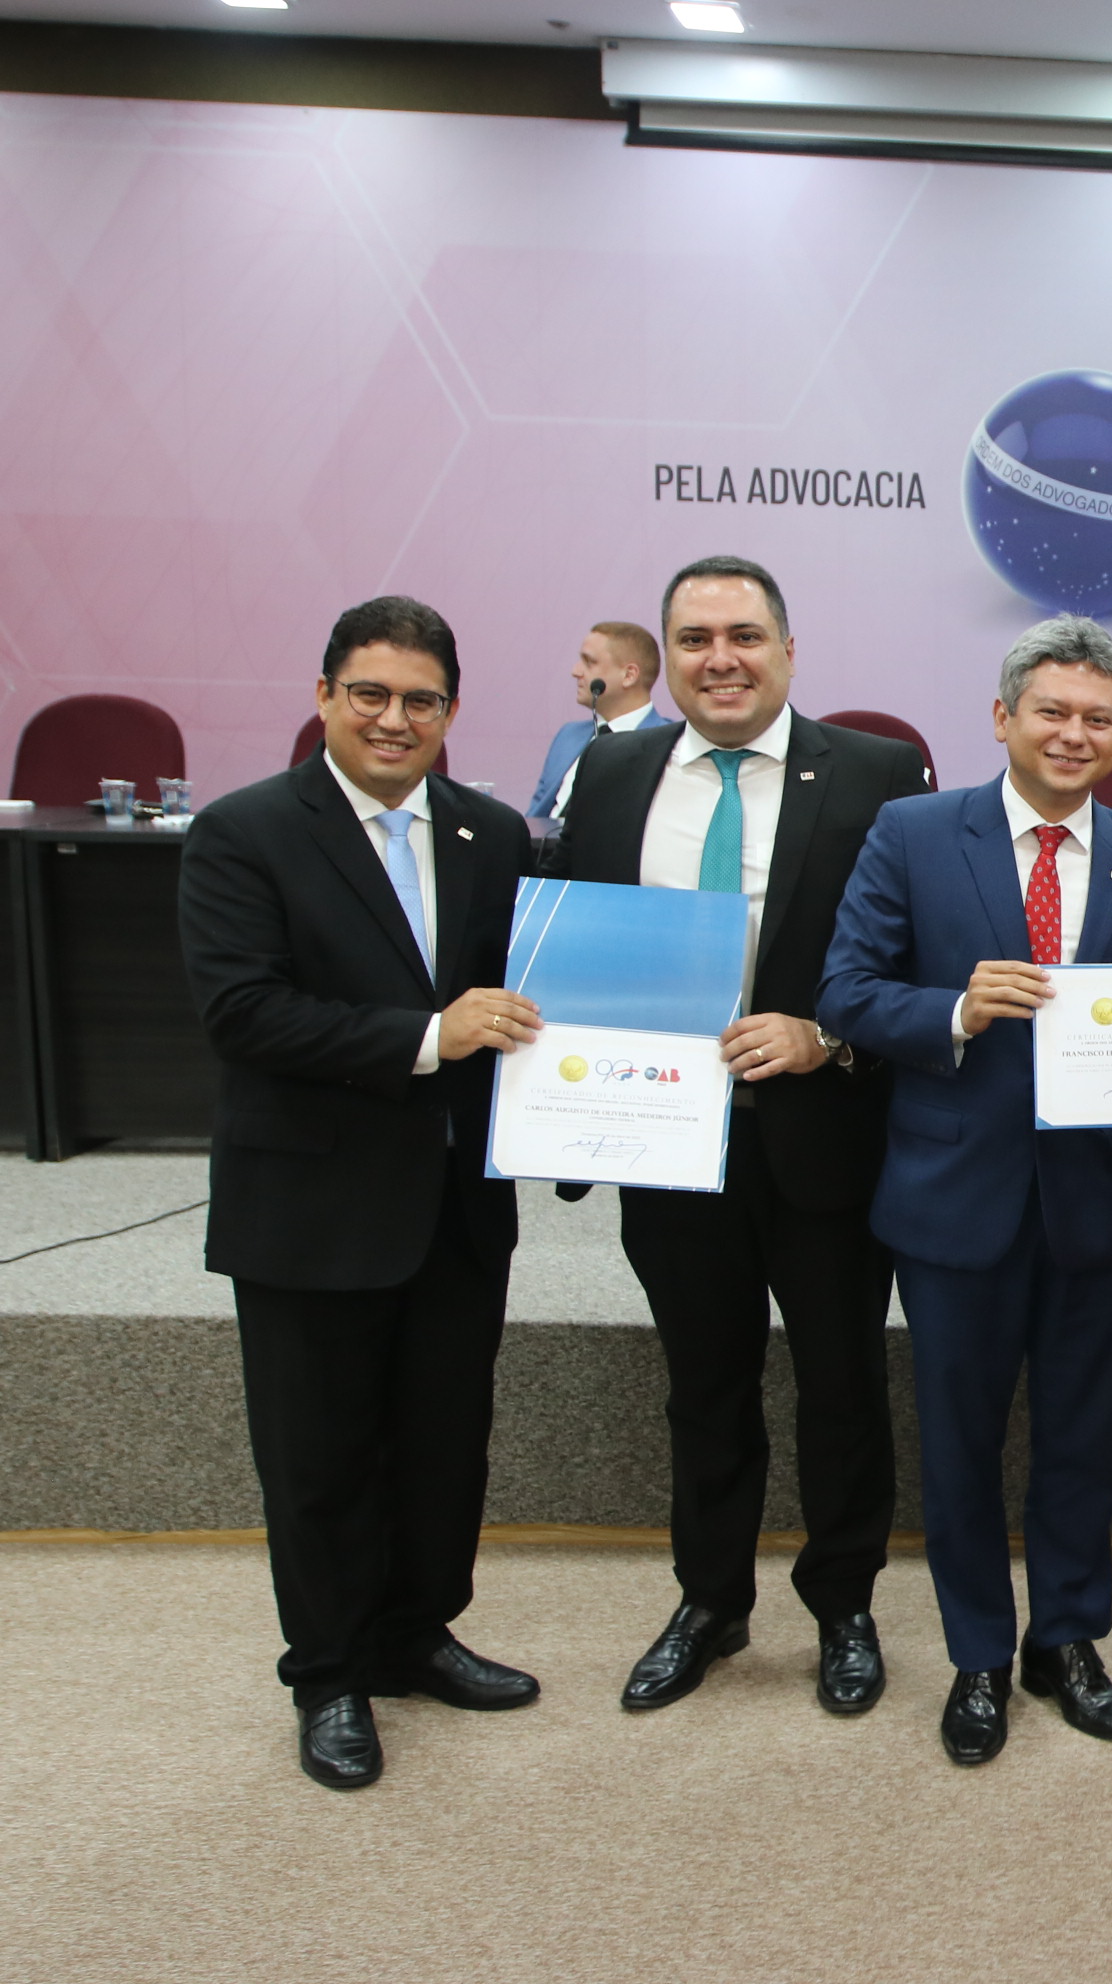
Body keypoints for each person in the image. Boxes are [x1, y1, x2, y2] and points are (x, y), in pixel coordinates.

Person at [556, 555, 931, 1718]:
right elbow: (577, 939)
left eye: (745, 635)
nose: (721, 659)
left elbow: (917, 957)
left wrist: (831, 1036)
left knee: (841, 1385)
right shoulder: (610, 772)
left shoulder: (875, 773)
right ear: (665, 658)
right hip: (665, 1142)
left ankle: (843, 1604)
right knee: (703, 1384)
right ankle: (710, 1600)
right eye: (695, 638)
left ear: (788, 651)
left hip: (822, 1140)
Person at [177, 596, 541, 1791]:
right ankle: (329, 1673)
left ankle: (414, 1632)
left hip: (455, 1206)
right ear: (325, 695)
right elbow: (244, 1012)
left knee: (445, 1443)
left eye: (420, 700)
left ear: (451, 710)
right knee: (319, 1455)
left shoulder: (493, 834)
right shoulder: (243, 832)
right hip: (311, 1207)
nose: (395, 719)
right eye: (371, 694)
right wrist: (430, 1038)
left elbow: (532, 998)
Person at [815, 615, 1112, 1766]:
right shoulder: (916, 831)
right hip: (951, 1198)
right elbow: (844, 993)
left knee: (1081, 1440)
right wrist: (956, 1011)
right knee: (960, 1445)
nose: (1074, 734)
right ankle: (977, 1653)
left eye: (1098, 719)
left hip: (1094, 1202)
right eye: (1052, 711)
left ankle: (1066, 1641)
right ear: (1002, 717)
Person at [527, 621, 663, 822]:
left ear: (629, 675)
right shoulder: (568, 736)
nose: (575, 671)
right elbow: (535, 816)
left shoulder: (668, 744)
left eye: (589, 662)